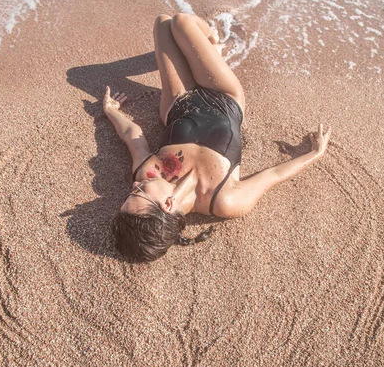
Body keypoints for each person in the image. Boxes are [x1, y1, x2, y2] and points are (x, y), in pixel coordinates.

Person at [103, 13, 331, 262]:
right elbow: (272, 175)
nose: (134, 186)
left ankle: (202, 47)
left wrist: (111, 111)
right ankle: (213, 42)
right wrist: (314, 154)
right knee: (182, 22)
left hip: (177, 104)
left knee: (163, 22)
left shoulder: (148, 173)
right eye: (138, 194)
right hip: (224, 97)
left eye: (130, 194)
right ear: (167, 205)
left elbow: (131, 134)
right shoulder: (225, 200)